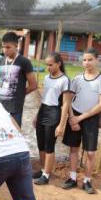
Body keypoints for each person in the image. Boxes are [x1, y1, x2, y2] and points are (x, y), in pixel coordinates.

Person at [62, 48, 101, 194]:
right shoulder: (77, 79)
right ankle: (73, 177)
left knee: (90, 152)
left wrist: (80, 118)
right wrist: (71, 118)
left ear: (97, 60)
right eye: (84, 60)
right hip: (75, 115)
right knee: (74, 148)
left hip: (90, 118)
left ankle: (87, 180)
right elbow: (68, 100)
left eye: (90, 59)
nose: (87, 62)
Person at [33, 52, 72, 185]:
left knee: (49, 145)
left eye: (50, 65)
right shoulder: (46, 78)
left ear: (58, 64)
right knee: (41, 144)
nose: (48, 67)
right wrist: (37, 115)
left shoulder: (64, 80)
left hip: (54, 112)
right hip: (43, 110)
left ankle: (47, 175)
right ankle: (43, 169)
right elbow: (44, 98)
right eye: (47, 65)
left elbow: (66, 103)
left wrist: (61, 124)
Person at [0, 32, 37, 127]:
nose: (5, 50)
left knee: (14, 134)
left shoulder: (24, 62)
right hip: (0, 106)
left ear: (16, 45)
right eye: (3, 47)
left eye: (8, 47)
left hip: (15, 108)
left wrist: (20, 93)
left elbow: (33, 85)